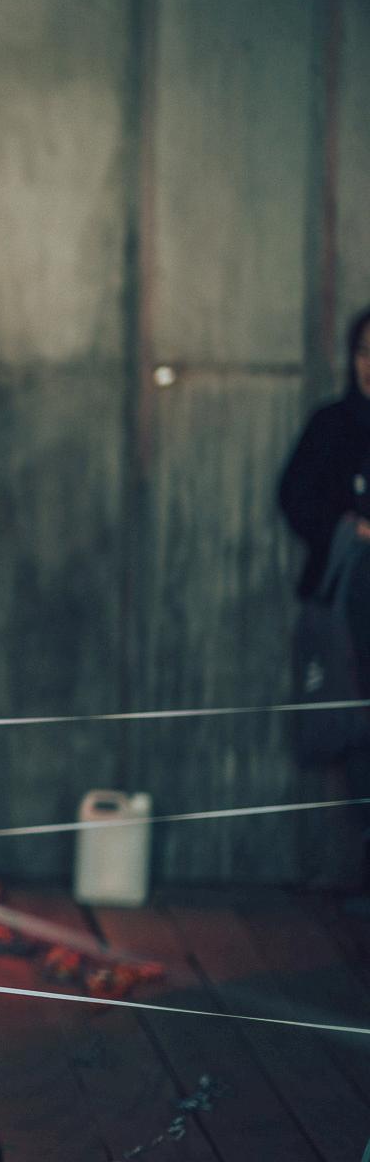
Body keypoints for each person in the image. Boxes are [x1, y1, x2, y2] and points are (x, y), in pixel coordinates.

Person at [278, 304, 370, 882]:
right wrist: (345, 528)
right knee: (354, 728)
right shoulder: (332, 424)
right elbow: (293, 495)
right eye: (364, 352)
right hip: (348, 601)